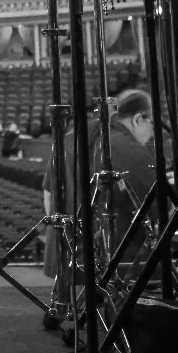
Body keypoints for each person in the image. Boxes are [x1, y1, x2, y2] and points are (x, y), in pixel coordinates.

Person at [43, 89, 159, 279]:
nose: (153, 133)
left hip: (65, 263)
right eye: (152, 123)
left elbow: (49, 195)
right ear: (138, 119)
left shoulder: (72, 138)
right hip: (114, 268)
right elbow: (159, 210)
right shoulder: (131, 150)